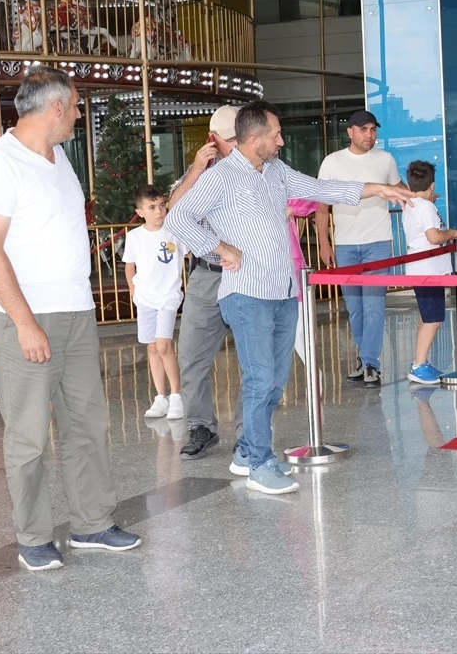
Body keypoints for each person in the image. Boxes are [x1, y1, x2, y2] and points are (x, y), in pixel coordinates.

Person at [166, 100, 414, 495]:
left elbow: (322, 189)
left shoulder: (276, 171)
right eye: (276, 135)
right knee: (261, 378)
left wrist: (378, 188)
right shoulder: (222, 177)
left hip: (283, 290)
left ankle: (247, 453)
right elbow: (177, 217)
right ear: (253, 139)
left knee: (275, 381)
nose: (282, 141)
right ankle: (260, 463)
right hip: (246, 294)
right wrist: (218, 248)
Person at [0, 65, 140, 571]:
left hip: (75, 312)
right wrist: (25, 323)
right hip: (22, 315)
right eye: (78, 106)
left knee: (88, 422)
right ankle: (34, 537)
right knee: (28, 435)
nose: (81, 115)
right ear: (57, 107)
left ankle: (91, 524)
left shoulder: (60, 157)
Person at [169, 106, 240, 461]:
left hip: (247, 274)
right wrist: (197, 168)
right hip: (207, 275)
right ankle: (201, 426)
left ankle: (249, 433)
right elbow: (174, 213)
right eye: (231, 139)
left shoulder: (259, 169)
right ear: (212, 140)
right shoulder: (199, 172)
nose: (238, 144)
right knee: (192, 356)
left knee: (253, 360)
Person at [314, 110, 402, 386]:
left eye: (373, 130)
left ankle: (371, 363)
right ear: (349, 131)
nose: (370, 135)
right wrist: (324, 244)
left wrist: (420, 198)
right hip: (345, 245)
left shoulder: (385, 159)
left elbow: (400, 189)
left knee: (374, 306)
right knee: (355, 309)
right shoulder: (332, 162)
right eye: (364, 129)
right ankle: (365, 360)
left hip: (378, 242)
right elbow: (321, 208)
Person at [123, 185, 186, 420]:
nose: (159, 211)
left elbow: (190, 251)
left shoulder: (174, 232)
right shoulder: (135, 236)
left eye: (162, 205)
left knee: (163, 346)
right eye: (152, 207)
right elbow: (129, 265)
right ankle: (161, 397)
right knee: (151, 347)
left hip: (168, 296)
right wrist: (133, 290)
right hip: (145, 298)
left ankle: (177, 396)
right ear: (140, 212)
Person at [401, 160, 457, 386]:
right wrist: (453, 233)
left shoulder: (411, 204)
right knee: (433, 319)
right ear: (432, 185)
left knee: (429, 317)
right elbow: (433, 237)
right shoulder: (426, 207)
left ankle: (421, 362)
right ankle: (418, 365)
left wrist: (427, 200)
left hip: (420, 269)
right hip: (428, 269)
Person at [286, 197, 319, 368]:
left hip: (293, 271)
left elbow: (312, 199)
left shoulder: (279, 181)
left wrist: (290, 208)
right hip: (258, 276)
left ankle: (315, 381)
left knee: (302, 332)